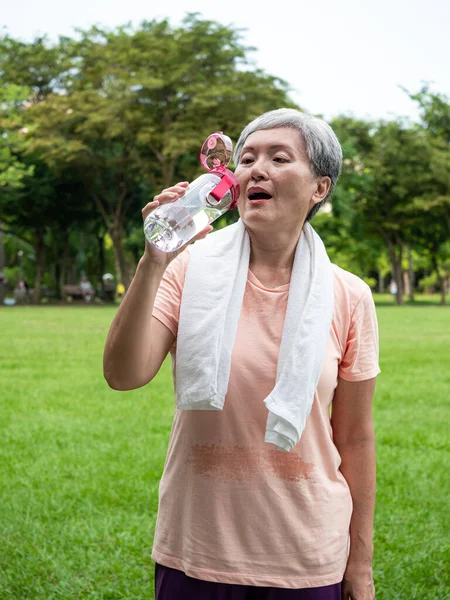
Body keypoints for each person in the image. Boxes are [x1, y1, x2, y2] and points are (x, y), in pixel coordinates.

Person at [103, 109, 380, 600]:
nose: (257, 168)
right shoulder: (188, 270)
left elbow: (355, 440)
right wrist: (154, 261)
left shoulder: (348, 295)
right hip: (197, 549)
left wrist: (360, 564)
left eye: (279, 157)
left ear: (320, 187)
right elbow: (124, 375)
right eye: (247, 158)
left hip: (308, 555)